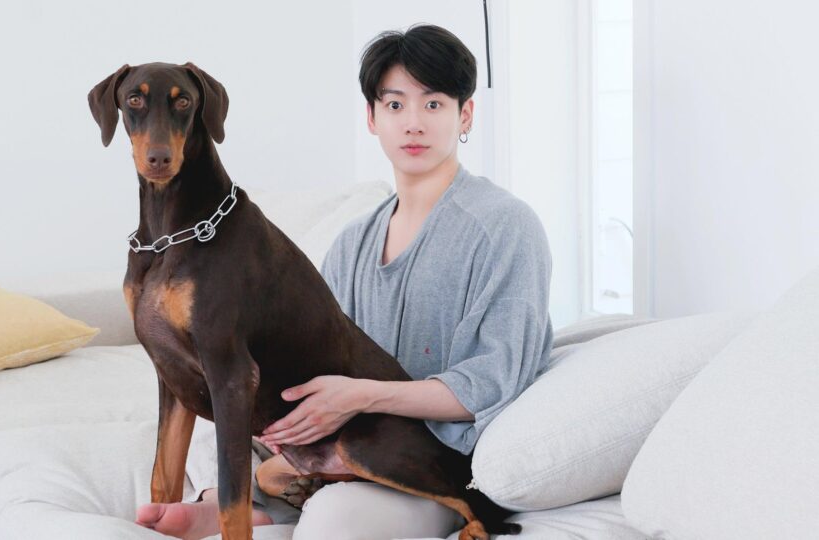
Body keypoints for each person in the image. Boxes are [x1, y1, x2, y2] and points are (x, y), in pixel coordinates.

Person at [135, 23, 554, 540]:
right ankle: (231, 498)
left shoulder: (506, 227)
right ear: (372, 118)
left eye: (433, 104)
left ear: (465, 114)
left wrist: (360, 397)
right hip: (334, 438)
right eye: (395, 105)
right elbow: (309, 358)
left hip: (428, 460)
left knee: (334, 521)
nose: (413, 123)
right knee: (212, 376)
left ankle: (268, 502)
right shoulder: (353, 241)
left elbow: (493, 383)